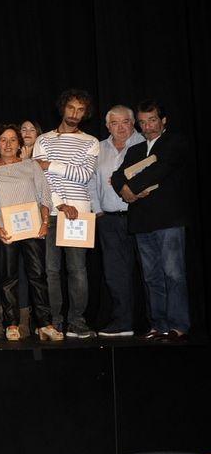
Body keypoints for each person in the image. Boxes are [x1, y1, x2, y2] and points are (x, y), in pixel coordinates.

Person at [110, 100, 191, 341]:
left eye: (152, 120)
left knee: (173, 274)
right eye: (143, 122)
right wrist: (125, 189)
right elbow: (116, 176)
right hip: (142, 221)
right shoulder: (135, 150)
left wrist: (130, 187)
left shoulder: (174, 142)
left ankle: (178, 325)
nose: (147, 126)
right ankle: (158, 324)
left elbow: (160, 170)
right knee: (151, 276)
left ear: (163, 120)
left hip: (168, 219)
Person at [0, 124, 58, 341]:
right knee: (8, 279)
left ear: (19, 143)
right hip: (7, 232)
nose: (7, 144)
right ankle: (11, 324)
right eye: (3, 140)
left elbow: (44, 196)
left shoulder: (31, 166)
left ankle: (45, 324)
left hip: (33, 229)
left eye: (12, 140)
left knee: (38, 276)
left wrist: (44, 222)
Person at [33, 89, 98, 339]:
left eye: (80, 110)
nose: (75, 114)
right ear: (63, 108)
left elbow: (84, 175)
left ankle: (77, 322)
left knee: (77, 269)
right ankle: (55, 321)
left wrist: (52, 164)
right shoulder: (44, 140)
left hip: (79, 212)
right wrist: (60, 203)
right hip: (52, 210)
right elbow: (42, 178)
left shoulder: (90, 142)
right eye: (71, 108)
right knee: (50, 270)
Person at [87, 105, 145, 338]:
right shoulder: (99, 148)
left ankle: (153, 322)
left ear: (133, 123)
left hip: (141, 216)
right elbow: (91, 182)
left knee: (148, 272)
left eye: (125, 122)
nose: (120, 127)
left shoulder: (145, 144)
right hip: (109, 219)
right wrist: (98, 211)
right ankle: (123, 322)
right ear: (107, 125)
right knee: (114, 273)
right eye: (114, 123)